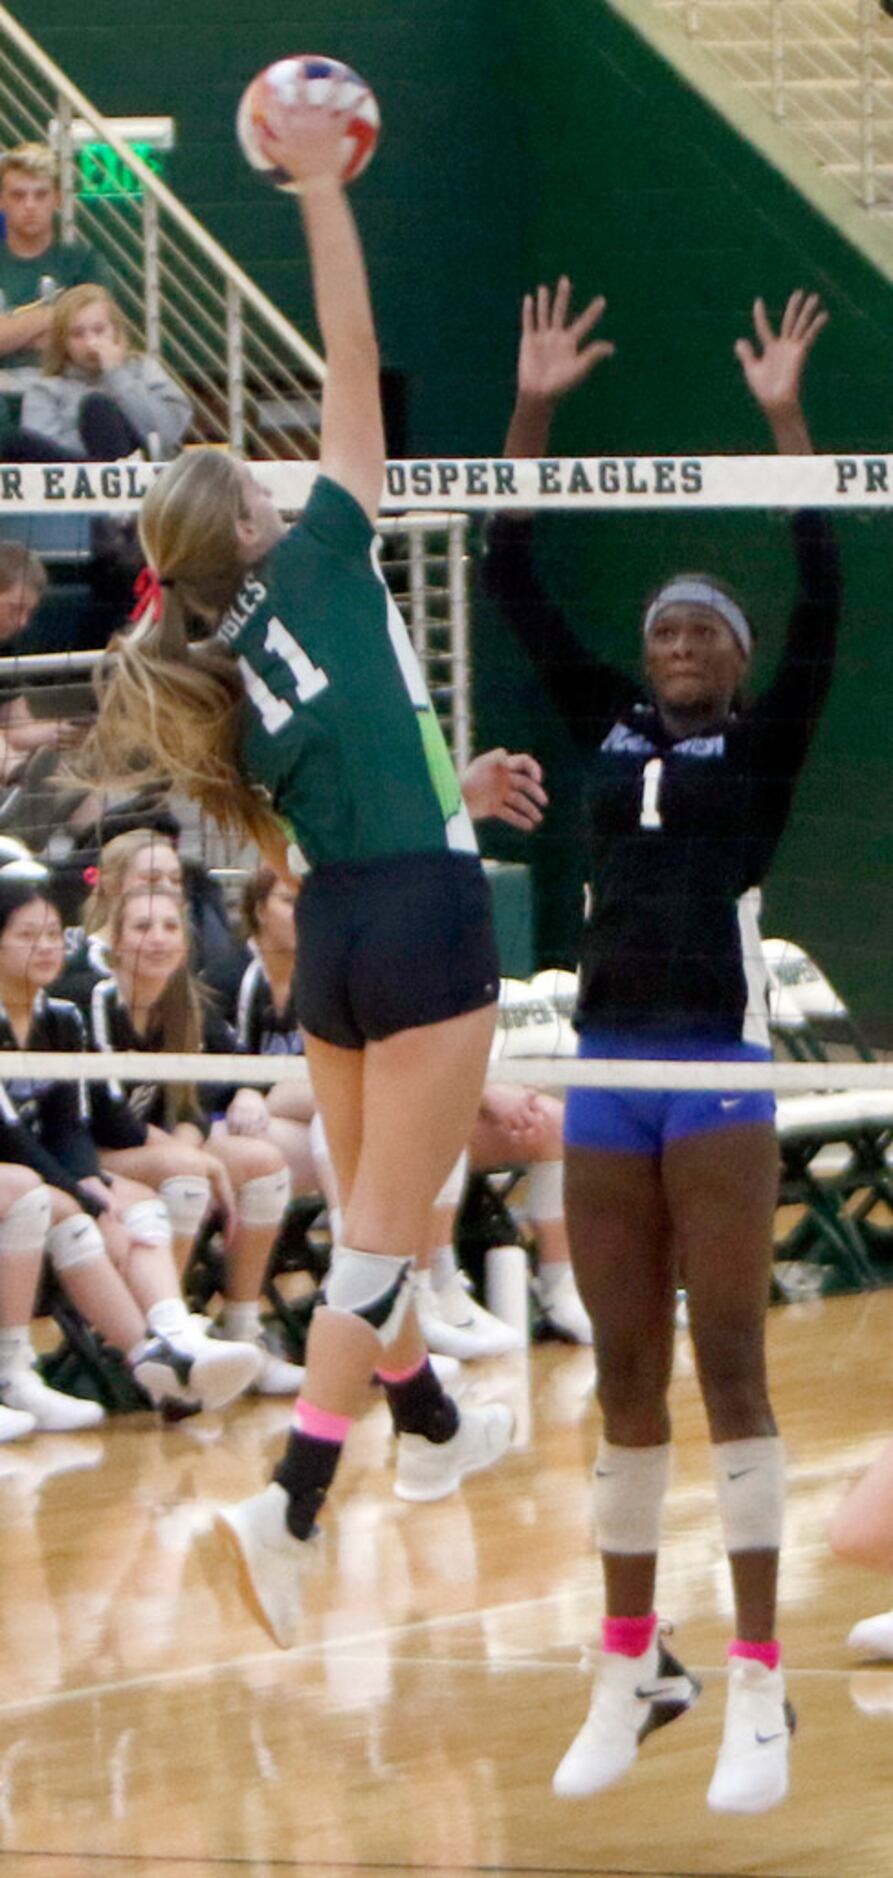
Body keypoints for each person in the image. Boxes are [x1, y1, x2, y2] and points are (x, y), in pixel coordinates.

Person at [77, 87, 515, 1648]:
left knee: (369, 1232)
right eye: (259, 485)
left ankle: (443, 1424)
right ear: (251, 522)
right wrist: (320, 191)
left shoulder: (199, 680)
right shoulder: (322, 556)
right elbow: (346, 365)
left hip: (331, 922)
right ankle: (296, 1501)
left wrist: (445, 783)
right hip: (421, 914)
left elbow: (350, 763)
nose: (281, 482)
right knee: (385, 1243)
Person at [482, 280, 838, 1813]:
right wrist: (535, 405)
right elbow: (506, 561)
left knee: (729, 1370)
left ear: (737, 665)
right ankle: (631, 1662)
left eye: (706, 628)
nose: (681, 636)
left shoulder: (752, 751)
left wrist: (781, 428)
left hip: (716, 1070)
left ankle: (762, 1680)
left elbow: (822, 585)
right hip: (604, 1069)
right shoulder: (606, 730)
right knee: (622, 1375)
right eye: (664, 627)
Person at [0, 870, 263, 1418]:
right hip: (18, 1168)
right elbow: (10, 1132)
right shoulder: (85, 1002)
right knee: (59, 1205)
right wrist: (87, 1194)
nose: (46, 948)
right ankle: (27, 1371)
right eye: (28, 936)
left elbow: (68, 1124)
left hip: (41, 1166)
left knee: (131, 1205)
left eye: (54, 935)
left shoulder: (59, 1017)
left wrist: (93, 1186)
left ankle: (166, 1351)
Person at [64, 882, 303, 1396]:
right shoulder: (94, 997)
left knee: (263, 1162)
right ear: (116, 941)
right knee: (188, 1173)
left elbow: (227, 1074)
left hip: (154, 1148)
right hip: (94, 1149)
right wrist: (187, 1155)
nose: (158, 939)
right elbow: (106, 1115)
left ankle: (243, 1328)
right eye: (143, 927)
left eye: (170, 927)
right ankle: (164, 1344)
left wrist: (240, 1097)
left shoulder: (184, 1001)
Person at [16, 284, 191, 462]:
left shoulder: (143, 369)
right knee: (17, 441)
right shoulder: (46, 388)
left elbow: (168, 433)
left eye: (99, 330)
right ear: (63, 342)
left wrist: (117, 375)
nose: (90, 342)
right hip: (77, 478)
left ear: (115, 331)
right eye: (77, 334)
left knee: (98, 407)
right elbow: (43, 453)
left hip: (142, 474)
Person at [0, 144, 114, 390]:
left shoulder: (84, 261)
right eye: (18, 195)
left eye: (40, 195)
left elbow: (95, 341)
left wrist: (11, 330)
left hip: (69, 388)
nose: (30, 205)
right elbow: (71, 335)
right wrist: (52, 316)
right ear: (2, 200)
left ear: (57, 199)